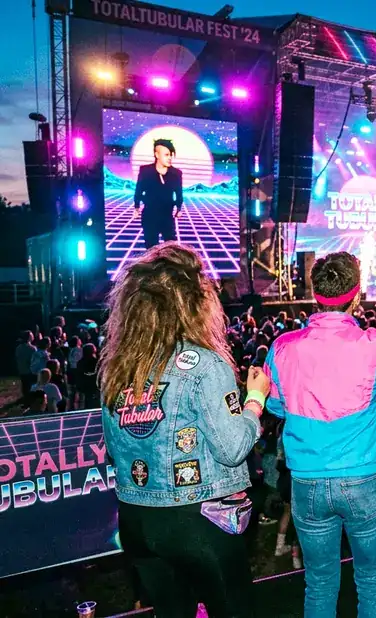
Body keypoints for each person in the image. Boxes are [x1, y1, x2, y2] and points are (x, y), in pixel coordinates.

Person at [100, 243, 268, 618]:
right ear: (194, 303)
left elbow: (114, 447)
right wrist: (255, 400)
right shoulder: (204, 365)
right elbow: (232, 447)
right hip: (200, 519)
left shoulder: (118, 368)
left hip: (138, 520)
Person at [262, 254, 376, 618]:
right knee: (371, 580)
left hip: (307, 482)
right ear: (355, 297)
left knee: (319, 582)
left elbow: (275, 406)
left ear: (314, 294)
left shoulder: (283, 348)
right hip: (364, 480)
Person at [134, 138, 183, 249]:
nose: (169, 158)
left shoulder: (176, 173)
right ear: (157, 154)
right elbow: (139, 190)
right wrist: (137, 207)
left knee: (171, 247)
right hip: (149, 215)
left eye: (170, 155)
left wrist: (179, 209)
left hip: (167, 216)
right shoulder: (145, 171)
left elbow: (179, 193)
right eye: (166, 155)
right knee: (151, 247)